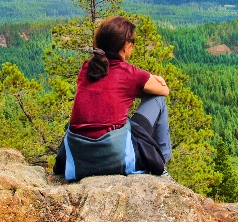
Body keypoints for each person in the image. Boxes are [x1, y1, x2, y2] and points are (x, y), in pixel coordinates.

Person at [53, 16, 172, 181]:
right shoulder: (131, 73)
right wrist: (154, 77)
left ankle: (160, 161)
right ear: (126, 45)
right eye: (133, 42)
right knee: (158, 100)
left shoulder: (87, 67)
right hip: (114, 155)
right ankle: (162, 162)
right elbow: (163, 91)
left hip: (79, 156)